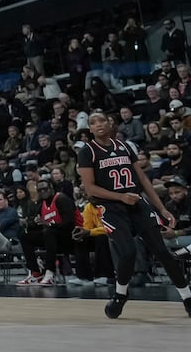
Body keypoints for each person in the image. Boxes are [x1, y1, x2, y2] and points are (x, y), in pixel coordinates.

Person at [75, 112, 191, 319]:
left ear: (109, 124)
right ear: (90, 129)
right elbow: (91, 189)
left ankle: (187, 297)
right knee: (128, 252)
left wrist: (162, 209)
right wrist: (120, 197)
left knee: (162, 251)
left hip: (137, 203)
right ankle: (121, 294)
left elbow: (143, 180)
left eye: (102, 120)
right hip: (111, 208)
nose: (99, 124)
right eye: (93, 123)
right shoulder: (87, 152)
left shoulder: (125, 146)